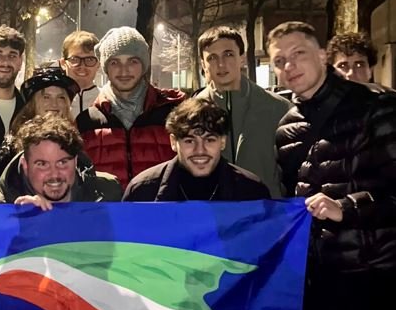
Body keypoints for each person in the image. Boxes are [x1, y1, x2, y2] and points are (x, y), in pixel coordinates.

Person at [269, 21, 396, 310]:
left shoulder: (377, 107)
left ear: (323, 55)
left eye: (298, 54)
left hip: (380, 279)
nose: (290, 65)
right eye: (280, 61)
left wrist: (349, 207)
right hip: (324, 285)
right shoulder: (286, 129)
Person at [77, 26, 185, 188]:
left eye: (133, 61)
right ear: (106, 68)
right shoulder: (87, 122)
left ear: (144, 65)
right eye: (115, 62)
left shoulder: (173, 112)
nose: (124, 70)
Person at [194, 26, 291, 197]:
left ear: (242, 58)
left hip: (266, 208)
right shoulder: (191, 114)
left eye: (228, 54)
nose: (221, 64)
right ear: (203, 64)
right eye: (212, 58)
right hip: (212, 209)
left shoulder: (279, 108)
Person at [123, 98, 270, 201]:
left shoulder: (252, 192)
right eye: (189, 141)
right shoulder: (142, 191)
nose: (200, 150)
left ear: (223, 142)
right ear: (173, 142)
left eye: (209, 140)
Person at [0, 114, 122, 206]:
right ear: (25, 165)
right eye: (42, 164)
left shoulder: (109, 192)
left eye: (62, 162)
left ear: (75, 161)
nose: (54, 174)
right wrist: (18, 223)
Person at [0, 67, 80, 180]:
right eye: (46, 97)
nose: (54, 104)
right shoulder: (13, 145)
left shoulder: (75, 143)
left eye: (61, 98)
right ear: (33, 103)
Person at [60, 30, 102, 118]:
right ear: (63, 63)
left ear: (99, 64)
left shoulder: (108, 101)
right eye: (75, 59)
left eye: (90, 60)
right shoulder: (53, 102)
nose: (82, 66)